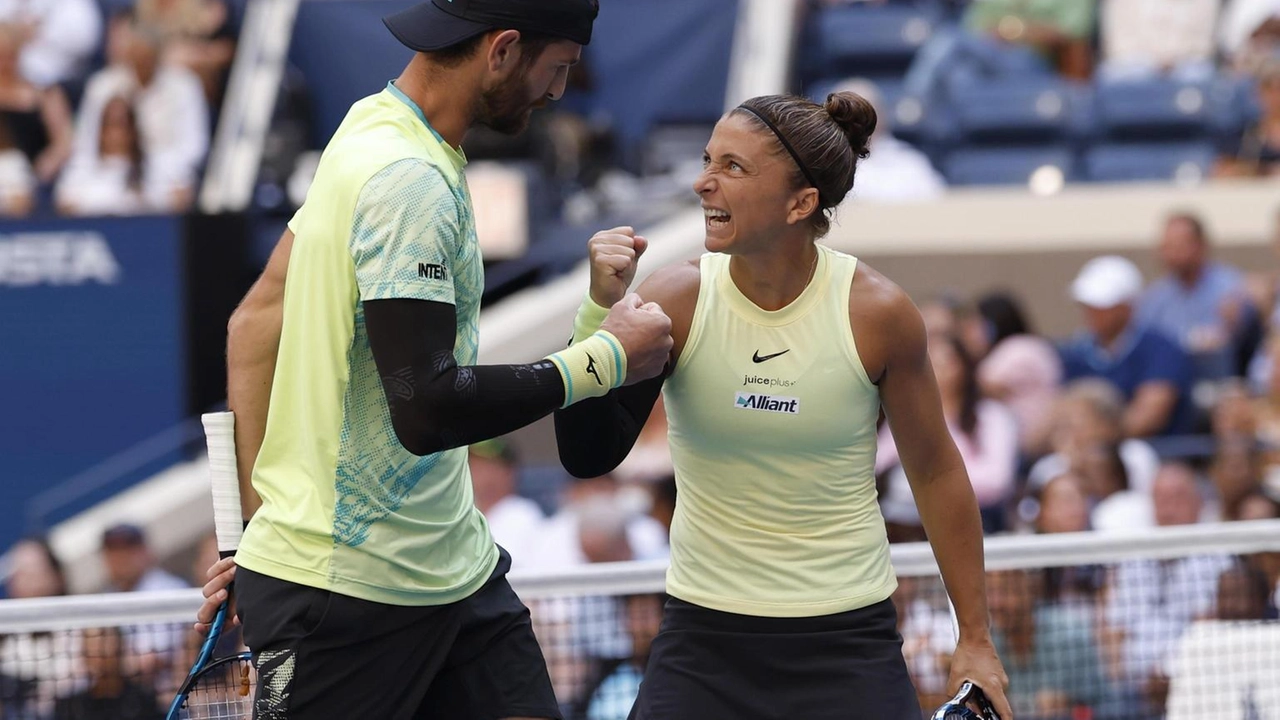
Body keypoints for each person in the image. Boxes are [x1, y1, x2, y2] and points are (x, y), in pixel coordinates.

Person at [192, 2, 672, 718]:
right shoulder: (408, 181)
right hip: (343, 598)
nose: (559, 93)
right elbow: (427, 407)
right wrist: (606, 359)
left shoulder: (368, 128)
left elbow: (255, 321)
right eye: (558, 68)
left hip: (456, 578)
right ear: (503, 49)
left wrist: (248, 533)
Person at [552, 91, 1012, 719]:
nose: (702, 182)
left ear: (801, 203)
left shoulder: (878, 313)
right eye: (708, 160)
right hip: (702, 643)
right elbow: (587, 454)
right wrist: (597, 315)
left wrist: (976, 638)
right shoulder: (676, 298)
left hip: (848, 645)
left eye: (732, 168)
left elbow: (936, 473)